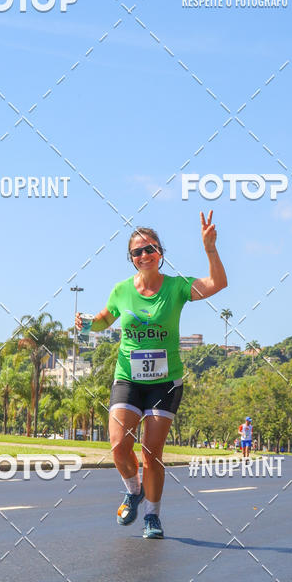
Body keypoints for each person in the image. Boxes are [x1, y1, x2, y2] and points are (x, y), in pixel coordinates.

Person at [76, 212, 227, 538]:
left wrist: (210, 249)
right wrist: (88, 323)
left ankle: (152, 516)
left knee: (151, 451)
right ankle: (133, 489)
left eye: (150, 249)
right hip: (128, 378)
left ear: (160, 253)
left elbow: (217, 284)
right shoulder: (121, 291)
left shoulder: (175, 287)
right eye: (137, 252)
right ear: (131, 260)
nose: (144, 255)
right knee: (117, 445)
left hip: (164, 382)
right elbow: (105, 319)